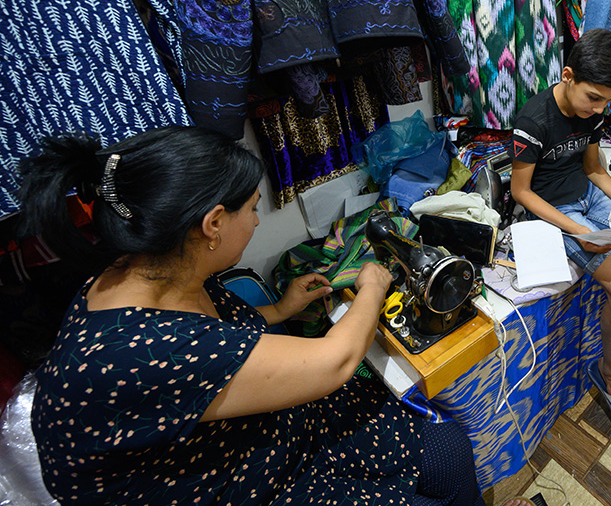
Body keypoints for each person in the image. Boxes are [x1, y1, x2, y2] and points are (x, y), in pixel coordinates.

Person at [18, 126, 489, 506]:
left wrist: (280, 310)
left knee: (448, 450)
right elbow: (336, 362)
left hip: (264, 432)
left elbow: (213, 343)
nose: (258, 221)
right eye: (251, 209)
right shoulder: (137, 351)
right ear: (213, 225)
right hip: (238, 483)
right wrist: (372, 286)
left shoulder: (143, 273)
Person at [509, 28, 611, 428]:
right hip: (553, 209)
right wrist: (578, 230)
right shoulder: (532, 120)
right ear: (568, 76)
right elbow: (521, 193)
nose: (599, 109)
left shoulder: (590, 113)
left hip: (587, 195)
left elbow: (593, 169)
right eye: (594, 98)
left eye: (607, 101)